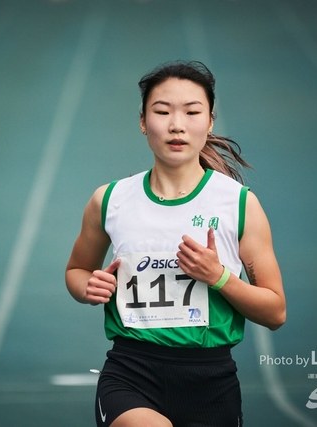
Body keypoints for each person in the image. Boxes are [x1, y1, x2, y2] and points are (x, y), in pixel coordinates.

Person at [65, 60, 286, 427]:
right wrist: (89, 285)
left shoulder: (239, 204)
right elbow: (76, 271)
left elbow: (275, 312)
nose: (176, 124)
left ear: (210, 121)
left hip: (210, 382)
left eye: (192, 111)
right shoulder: (109, 200)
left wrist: (218, 277)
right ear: (142, 121)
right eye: (162, 111)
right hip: (130, 371)